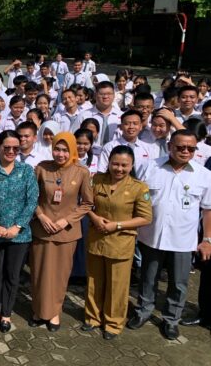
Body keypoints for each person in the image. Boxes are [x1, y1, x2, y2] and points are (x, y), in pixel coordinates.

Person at [128, 130, 211, 340]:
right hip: (151, 236)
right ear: (170, 145)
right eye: (180, 147)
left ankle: (171, 319)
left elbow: (208, 209)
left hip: (183, 239)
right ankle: (143, 311)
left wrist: (207, 239)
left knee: (179, 283)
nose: (185, 151)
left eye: (190, 148)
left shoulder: (204, 175)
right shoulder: (149, 167)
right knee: (148, 278)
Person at [82, 145, 152, 340]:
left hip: (121, 243)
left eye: (124, 165)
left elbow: (146, 218)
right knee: (94, 282)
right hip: (97, 239)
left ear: (131, 166)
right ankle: (93, 317)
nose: (119, 169)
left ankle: (113, 323)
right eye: (115, 164)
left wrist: (118, 225)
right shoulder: (96, 180)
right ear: (109, 162)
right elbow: (85, 203)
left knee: (117, 286)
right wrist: (94, 217)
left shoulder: (139, 187)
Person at [0, 130, 38, 333]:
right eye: (6, 147)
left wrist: (17, 226)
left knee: (12, 274)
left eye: (15, 148)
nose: (11, 151)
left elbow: (32, 201)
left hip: (19, 234)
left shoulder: (26, 171)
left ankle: (7, 314)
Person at [30, 132, 94, 331]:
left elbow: (87, 204)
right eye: (57, 149)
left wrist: (66, 220)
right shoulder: (42, 168)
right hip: (42, 229)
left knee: (59, 274)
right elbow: (31, 197)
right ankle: (38, 310)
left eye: (65, 150)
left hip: (66, 233)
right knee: (39, 273)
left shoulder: (81, 172)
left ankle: (54, 312)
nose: (60, 154)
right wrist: (41, 216)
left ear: (72, 151)